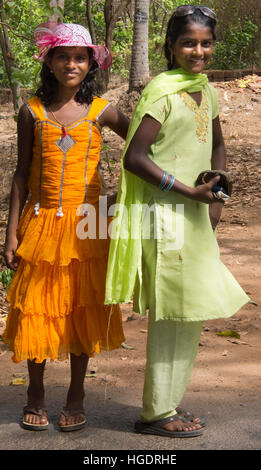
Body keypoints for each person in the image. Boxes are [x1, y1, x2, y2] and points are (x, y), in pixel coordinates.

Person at [105, 5, 250, 438]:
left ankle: (165, 402)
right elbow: (134, 158)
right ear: (170, 46)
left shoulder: (207, 90)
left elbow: (219, 144)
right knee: (173, 313)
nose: (198, 51)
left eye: (205, 43)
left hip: (197, 214)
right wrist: (189, 193)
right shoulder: (163, 91)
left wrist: (218, 192)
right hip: (167, 215)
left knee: (188, 313)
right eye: (189, 42)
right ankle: (156, 414)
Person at [3, 22, 129, 432]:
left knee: (82, 309)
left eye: (80, 57)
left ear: (91, 64)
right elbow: (21, 174)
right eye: (63, 56)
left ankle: (77, 395)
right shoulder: (32, 111)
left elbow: (143, 145)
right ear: (50, 61)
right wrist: (10, 233)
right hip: (41, 225)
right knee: (38, 307)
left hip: (89, 226)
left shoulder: (101, 110)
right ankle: (35, 395)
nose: (71, 63)